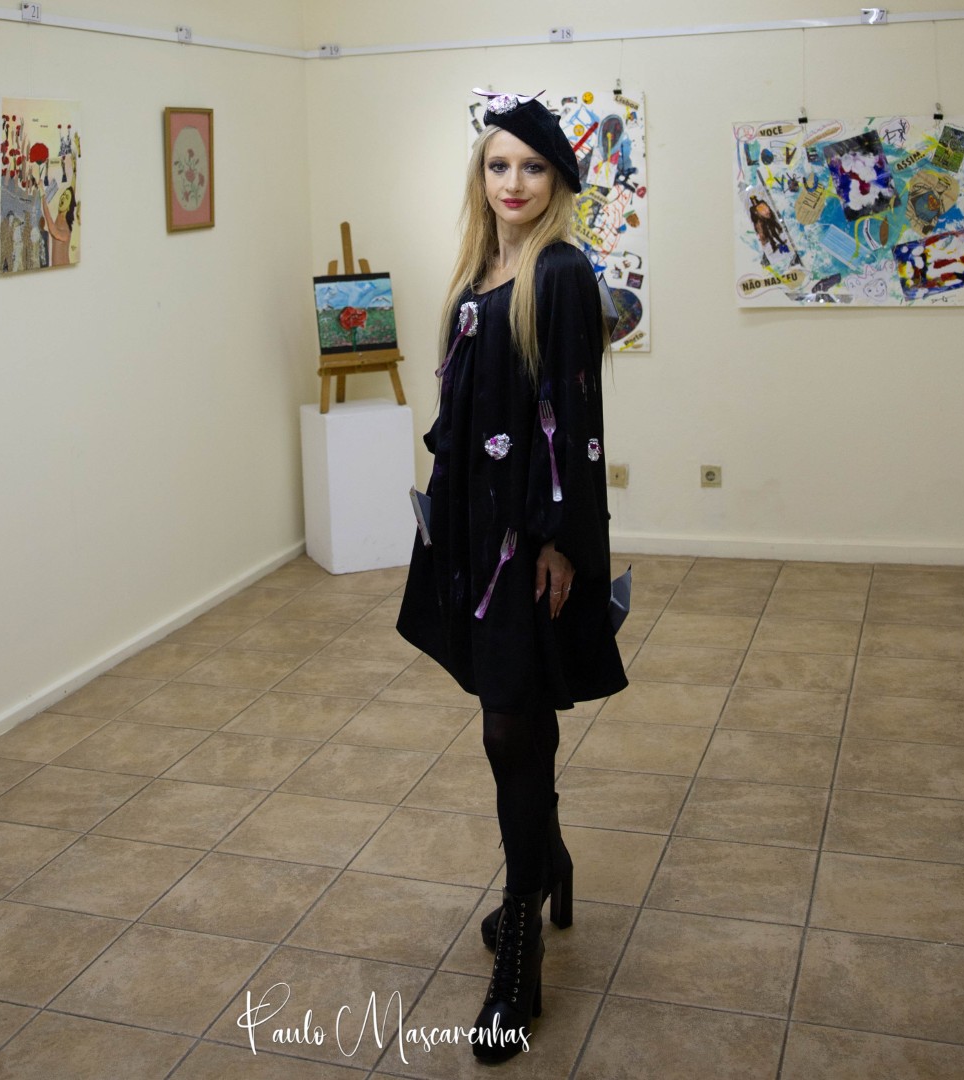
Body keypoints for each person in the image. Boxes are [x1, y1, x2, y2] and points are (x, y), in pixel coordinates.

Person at [396, 89, 628, 1064]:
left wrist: (555, 541)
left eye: (531, 167)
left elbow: (572, 418)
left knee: (509, 722)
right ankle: (550, 860)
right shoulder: (477, 268)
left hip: (529, 544)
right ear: (479, 176)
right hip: (473, 530)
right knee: (513, 716)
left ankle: (521, 943)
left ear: (557, 180)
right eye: (498, 166)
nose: (513, 183)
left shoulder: (561, 272)